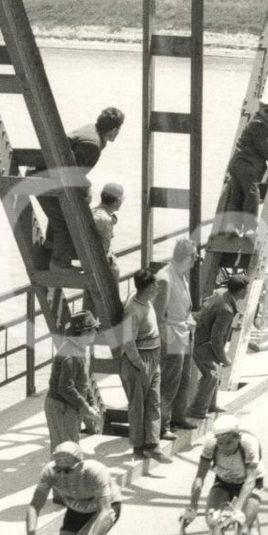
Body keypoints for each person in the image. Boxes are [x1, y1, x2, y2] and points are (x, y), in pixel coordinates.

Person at [179, 413, 263, 535]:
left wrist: (238, 510)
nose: (223, 448)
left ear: (237, 438)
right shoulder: (211, 445)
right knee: (213, 522)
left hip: (250, 485)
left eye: (228, 443)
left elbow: (250, 480)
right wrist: (192, 507)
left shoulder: (249, 445)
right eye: (220, 443)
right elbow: (199, 478)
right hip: (224, 482)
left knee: (243, 532)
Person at [31, 106, 125, 270]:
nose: (118, 133)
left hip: (42, 175)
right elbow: (71, 174)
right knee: (66, 222)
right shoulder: (92, 144)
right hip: (44, 180)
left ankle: (48, 255)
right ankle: (59, 264)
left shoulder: (91, 131)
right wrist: (87, 188)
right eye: (118, 129)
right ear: (113, 130)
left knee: (60, 217)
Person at [224, 98, 268, 234]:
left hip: (238, 164)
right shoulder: (258, 125)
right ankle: (250, 229)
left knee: (237, 194)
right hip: (247, 165)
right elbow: (264, 147)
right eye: (267, 111)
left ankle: (232, 227)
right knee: (252, 194)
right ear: (260, 110)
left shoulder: (264, 122)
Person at [121, 268, 171, 463]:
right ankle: (139, 447)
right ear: (149, 287)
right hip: (139, 360)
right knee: (137, 406)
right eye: (155, 286)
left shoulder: (145, 301)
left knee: (154, 402)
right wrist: (139, 364)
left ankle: (153, 444)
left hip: (153, 356)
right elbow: (127, 341)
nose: (157, 289)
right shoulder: (133, 310)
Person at [188, 272, 249, 421]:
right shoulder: (226, 310)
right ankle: (197, 410)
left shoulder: (220, 293)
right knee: (211, 374)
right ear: (241, 290)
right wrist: (224, 358)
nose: (247, 291)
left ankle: (211, 405)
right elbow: (216, 338)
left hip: (199, 335)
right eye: (246, 288)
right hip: (200, 342)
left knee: (213, 372)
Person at [154, 237, 199, 433]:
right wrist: (167, 341)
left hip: (184, 333)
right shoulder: (165, 278)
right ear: (187, 257)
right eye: (195, 256)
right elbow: (158, 315)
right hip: (172, 337)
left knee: (184, 380)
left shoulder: (182, 277)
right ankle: (163, 425)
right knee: (169, 382)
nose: (197, 260)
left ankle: (179, 417)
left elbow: (184, 306)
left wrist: (189, 319)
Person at [45, 311, 102, 450]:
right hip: (61, 407)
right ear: (84, 333)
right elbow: (65, 388)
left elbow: (84, 381)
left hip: (70, 406)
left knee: (70, 447)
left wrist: (92, 403)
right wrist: (86, 408)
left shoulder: (79, 349)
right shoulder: (70, 355)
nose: (95, 333)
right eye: (94, 330)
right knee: (64, 450)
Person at [82, 182, 124, 317]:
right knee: (107, 307)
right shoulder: (104, 219)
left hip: (90, 264)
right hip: (102, 268)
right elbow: (103, 250)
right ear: (117, 201)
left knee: (90, 304)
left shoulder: (94, 212)